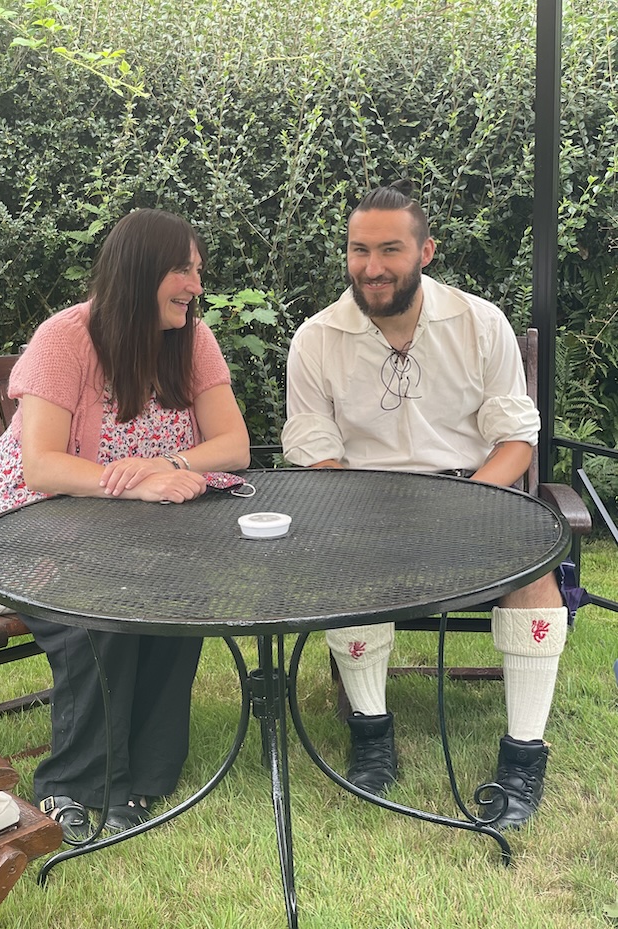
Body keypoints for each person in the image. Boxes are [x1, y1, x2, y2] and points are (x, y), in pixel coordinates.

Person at [281, 180, 570, 830]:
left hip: (473, 496)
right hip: (363, 506)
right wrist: (369, 513)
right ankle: (372, 737)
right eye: (359, 249)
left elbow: (516, 437)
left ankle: (523, 758)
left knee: (533, 575)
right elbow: (314, 449)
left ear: (426, 250)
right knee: (345, 572)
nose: (373, 266)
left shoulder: (479, 321)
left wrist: (464, 506)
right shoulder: (316, 339)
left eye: (390, 249)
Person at [0, 208, 250, 841]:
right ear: (139, 272)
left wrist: (162, 464)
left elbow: (233, 444)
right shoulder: (65, 339)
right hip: (33, 518)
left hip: (136, 527)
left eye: (197, 271)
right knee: (99, 607)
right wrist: (134, 480)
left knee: (182, 596)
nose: (195, 286)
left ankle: (144, 778)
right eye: (182, 270)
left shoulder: (192, 340)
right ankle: (74, 781)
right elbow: (40, 465)